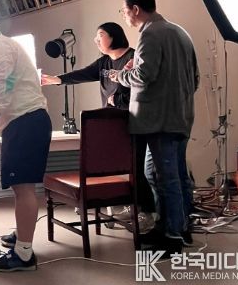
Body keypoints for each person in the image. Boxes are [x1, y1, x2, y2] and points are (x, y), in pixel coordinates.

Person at [109, 0, 199, 256]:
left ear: (135, 9)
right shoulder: (180, 32)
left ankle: (172, 237)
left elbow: (144, 76)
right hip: (181, 116)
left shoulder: (150, 34)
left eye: (124, 11)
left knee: (165, 177)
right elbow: (195, 79)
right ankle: (179, 227)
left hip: (158, 121)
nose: (124, 16)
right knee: (173, 176)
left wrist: (121, 76)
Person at [41, 22, 157, 230]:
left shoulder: (133, 58)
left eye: (100, 35)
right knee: (109, 166)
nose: (96, 40)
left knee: (137, 169)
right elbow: (83, 74)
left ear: (114, 36)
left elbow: (142, 90)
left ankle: (147, 213)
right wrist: (56, 80)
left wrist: (117, 100)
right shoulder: (104, 62)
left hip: (134, 124)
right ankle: (119, 204)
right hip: (111, 126)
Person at [0, 20, 52, 272]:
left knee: (23, 188)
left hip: (24, 122)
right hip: (28, 120)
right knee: (21, 187)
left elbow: (1, 79)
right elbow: (10, 84)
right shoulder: (7, 46)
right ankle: (21, 236)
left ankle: (23, 254)